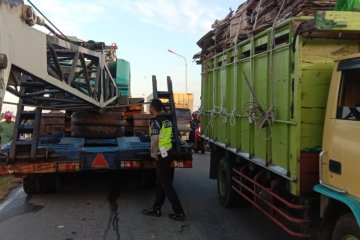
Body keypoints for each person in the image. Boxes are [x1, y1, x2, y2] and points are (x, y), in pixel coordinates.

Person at [142, 99, 186, 221]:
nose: (149, 109)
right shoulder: (167, 119)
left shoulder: (155, 121)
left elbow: (155, 139)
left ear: (152, 108)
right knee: (161, 182)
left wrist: (153, 153)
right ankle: (156, 208)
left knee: (166, 184)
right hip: (168, 152)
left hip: (161, 154)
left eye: (150, 107)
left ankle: (179, 212)